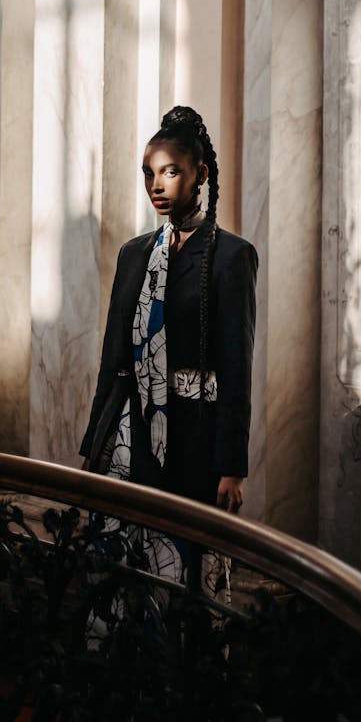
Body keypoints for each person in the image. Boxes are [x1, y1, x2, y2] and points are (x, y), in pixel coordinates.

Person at [79, 106, 257, 520]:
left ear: (202, 174)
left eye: (170, 172)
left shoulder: (232, 256)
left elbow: (236, 368)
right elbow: (113, 360)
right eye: (148, 173)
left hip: (194, 435)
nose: (155, 185)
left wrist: (232, 467)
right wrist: (94, 444)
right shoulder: (134, 253)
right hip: (129, 429)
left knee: (181, 559)